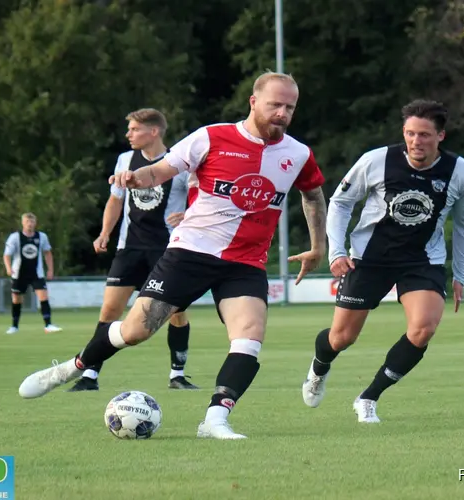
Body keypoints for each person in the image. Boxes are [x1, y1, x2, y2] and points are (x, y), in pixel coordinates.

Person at [18, 72, 328, 440]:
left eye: (289, 107)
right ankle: (72, 367)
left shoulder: (297, 153)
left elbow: (312, 194)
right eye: (274, 104)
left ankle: (215, 420)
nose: (282, 113)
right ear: (253, 101)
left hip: (245, 263)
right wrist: (136, 178)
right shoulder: (211, 137)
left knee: (249, 337)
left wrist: (318, 246)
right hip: (190, 252)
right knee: (135, 331)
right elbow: (160, 171)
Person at [301, 99, 464, 423]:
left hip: (422, 260)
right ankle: (318, 369)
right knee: (341, 338)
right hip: (369, 259)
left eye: (425, 135)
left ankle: (369, 397)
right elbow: (341, 203)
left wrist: (460, 272)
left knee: (423, 329)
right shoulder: (376, 161)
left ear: (441, 135)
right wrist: (337, 252)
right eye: (410, 133)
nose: (416, 141)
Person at [67, 109, 198, 392]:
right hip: (129, 249)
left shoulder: (178, 161)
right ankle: (90, 375)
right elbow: (115, 201)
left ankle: (178, 375)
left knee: (176, 314)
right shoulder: (124, 161)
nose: (128, 134)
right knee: (110, 311)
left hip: (168, 251)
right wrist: (105, 233)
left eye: (134, 129)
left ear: (154, 131)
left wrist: (188, 215)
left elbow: (200, 197)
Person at [3, 213, 63, 334]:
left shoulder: (42, 237)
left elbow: (47, 253)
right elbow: (7, 255)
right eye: (27, 222)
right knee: (16, 299)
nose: (30, 224)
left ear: (35, 223)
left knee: (44, 296)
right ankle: (14, 326)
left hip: (37, 273)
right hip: (19, 274)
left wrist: (50, 269)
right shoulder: (15, 237)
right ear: (23, 223)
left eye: (32, 222)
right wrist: (9, 268)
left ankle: (48, 325)